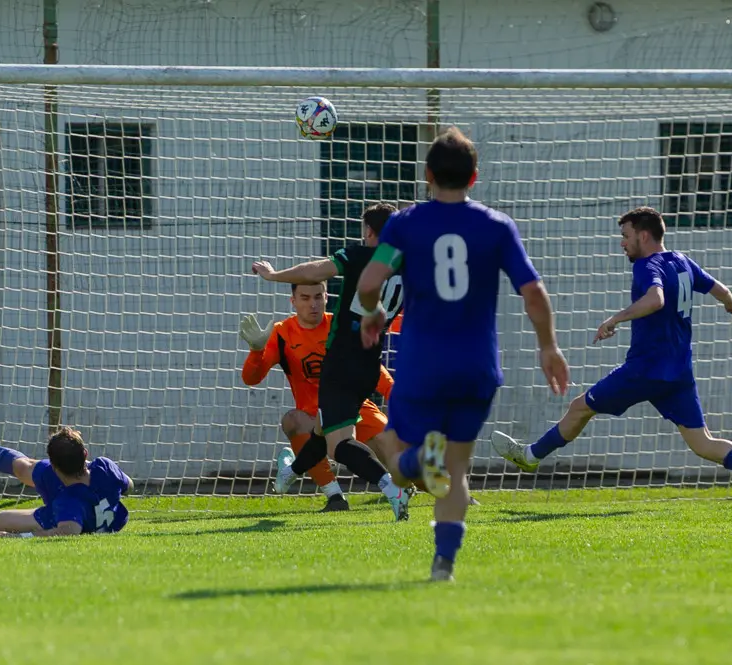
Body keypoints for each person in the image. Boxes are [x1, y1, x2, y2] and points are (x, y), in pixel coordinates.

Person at [356, 127, 569, 581]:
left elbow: (369, 283)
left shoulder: (406, 223)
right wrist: (548, 346)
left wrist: (372, 315)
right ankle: (443, 565)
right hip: (477, 367)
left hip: (422, 364)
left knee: (396, 454)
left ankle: (416, 462)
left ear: (428, 175)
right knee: (458, 465)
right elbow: (532, 292)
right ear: (474, 177)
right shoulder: (495, 226)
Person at [490, 206, 732, 508]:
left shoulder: (647, 266)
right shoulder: (682, 262)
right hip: (678, 373)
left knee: (579, 407)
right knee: (703, 442)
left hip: (644, 370)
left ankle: (530, 457)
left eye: (626, 235)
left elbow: (656, 299)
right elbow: (719, 288)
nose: (622, 243)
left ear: (644, 235)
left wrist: (615, 319)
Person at [252, 203, 413, 521]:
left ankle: (392, 489)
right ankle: (291, 471)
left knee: (339, 445)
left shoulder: (362, 256)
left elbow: (314, 271)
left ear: (368, 232)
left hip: (340, 364)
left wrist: (273, 276)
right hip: (370, 365)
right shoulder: (410, 266)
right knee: (322, 430)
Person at [239, 280, 397, 512]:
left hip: (357, 410)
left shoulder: (341, 327)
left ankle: (450, 493)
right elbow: (251, 379)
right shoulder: (282, 333)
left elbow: (371, 368)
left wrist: (395, 394)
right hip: (313, 418)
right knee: (292, 420)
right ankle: (335, 497)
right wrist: (256, 351)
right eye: (305, 298)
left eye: (317, 297)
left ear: (325, 297)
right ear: (293, 301)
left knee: (406, 463)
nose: (312, 304)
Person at [0, 422, 133, 537]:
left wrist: (17, 537)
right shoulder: (105, 467)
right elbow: (128, 486)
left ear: (53, 467)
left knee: (0, 520)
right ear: (85, 453)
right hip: (86, 491)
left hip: (64, 502)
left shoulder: (68, 501)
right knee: (23, 467)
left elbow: (67, 531)